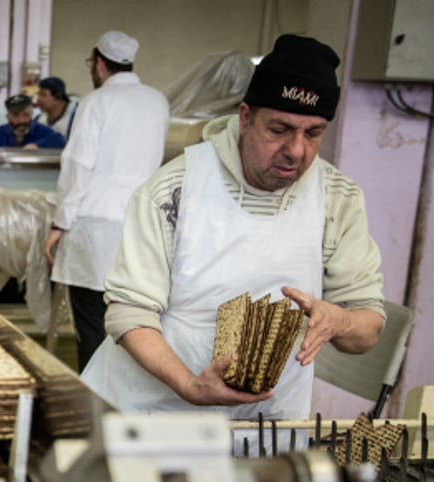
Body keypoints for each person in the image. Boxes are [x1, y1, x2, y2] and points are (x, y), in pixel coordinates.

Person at [81, 34, 385, 422]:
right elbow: (129, 315)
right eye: (279, 129)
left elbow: (368, 326)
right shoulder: (174, 190)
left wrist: (340, 320)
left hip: (266, 428)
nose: (296, 150)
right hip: (154, 416)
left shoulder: (337, 200)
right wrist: (190, 385)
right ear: (245, 118)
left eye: (313, 133)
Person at [45, 31, 169, 371]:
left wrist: (59, 222)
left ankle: (95, 407)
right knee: (132, 324)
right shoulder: (157, 100)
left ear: (99, 63)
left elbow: (78, 165)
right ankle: (123, 402)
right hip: (141, 230)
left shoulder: (96, 101)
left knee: (93, 327)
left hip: (95, 230)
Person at [0, 94, 67, 149]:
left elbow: (60, 140)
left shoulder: (42, 131)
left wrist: (36, 146)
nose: (21, 120)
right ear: (8, 117)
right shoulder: (0, 133)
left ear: (31, 114)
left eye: (25, 115)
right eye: (15, 115)